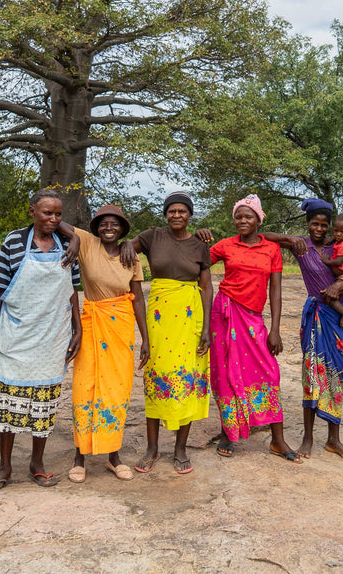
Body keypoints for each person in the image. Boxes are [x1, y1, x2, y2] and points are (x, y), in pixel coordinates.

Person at [0, 189, 83, 490]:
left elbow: (73, 289)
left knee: (45, 401)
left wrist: (78, 329)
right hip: (16, 333)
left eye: (58, 214)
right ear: (32, 212)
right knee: (8, 400)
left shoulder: (67, 244)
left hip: (53, 334)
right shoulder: (14, 242)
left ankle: (37, 463)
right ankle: (5, 466)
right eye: (46, 213)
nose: (53, 219)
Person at [262, 198, 343, 459]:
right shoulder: (302, 246)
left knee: (337, 375)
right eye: (314, 224)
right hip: (316, 317)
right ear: (308, 224)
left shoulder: (340, 246)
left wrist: (340, 287)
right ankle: (308, 439)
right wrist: (292, 237)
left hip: (340, 318)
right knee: (311, 375)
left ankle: (334, 440)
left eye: (324, 225)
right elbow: (263, 235)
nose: (319, 229)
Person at [119, 191, 212, 474]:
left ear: (190, 215)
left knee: (186, 382)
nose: (176, 215)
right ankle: (152, 448)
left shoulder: (199, 245)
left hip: (189, 318)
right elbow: (124, 248)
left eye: (182, 211)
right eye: (172, 211)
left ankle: (180, 449)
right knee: (156, 380)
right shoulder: (153, 236)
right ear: (165, 214)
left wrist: (206, 328)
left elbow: (206, 287)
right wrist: (124, 244)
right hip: (159, 318)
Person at [209, 194, 301, 462]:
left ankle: (277, 440)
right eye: (238, 216)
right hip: (224, 314)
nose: (242, 220)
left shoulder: (271, 249)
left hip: (253, 318)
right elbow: (198, 261)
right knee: (225, 372)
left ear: (258, 220)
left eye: (248, 216)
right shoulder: (225, 245)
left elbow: (276, 290)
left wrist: (275, 329)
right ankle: (228, 432)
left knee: (269, 373)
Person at [66, 205, 149, 483]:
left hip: (121, 328)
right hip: (91, 321)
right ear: (96, 228)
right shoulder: (88, 244)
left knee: (116, 389)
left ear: (123, 229)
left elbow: (137, 298)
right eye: (103, 224)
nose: (109, 228)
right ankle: (80, 456)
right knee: (84, 385)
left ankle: (113, 456)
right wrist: (76, 240)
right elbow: (57, 223)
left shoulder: (131, 256)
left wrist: (145, 338)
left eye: (115, 224)